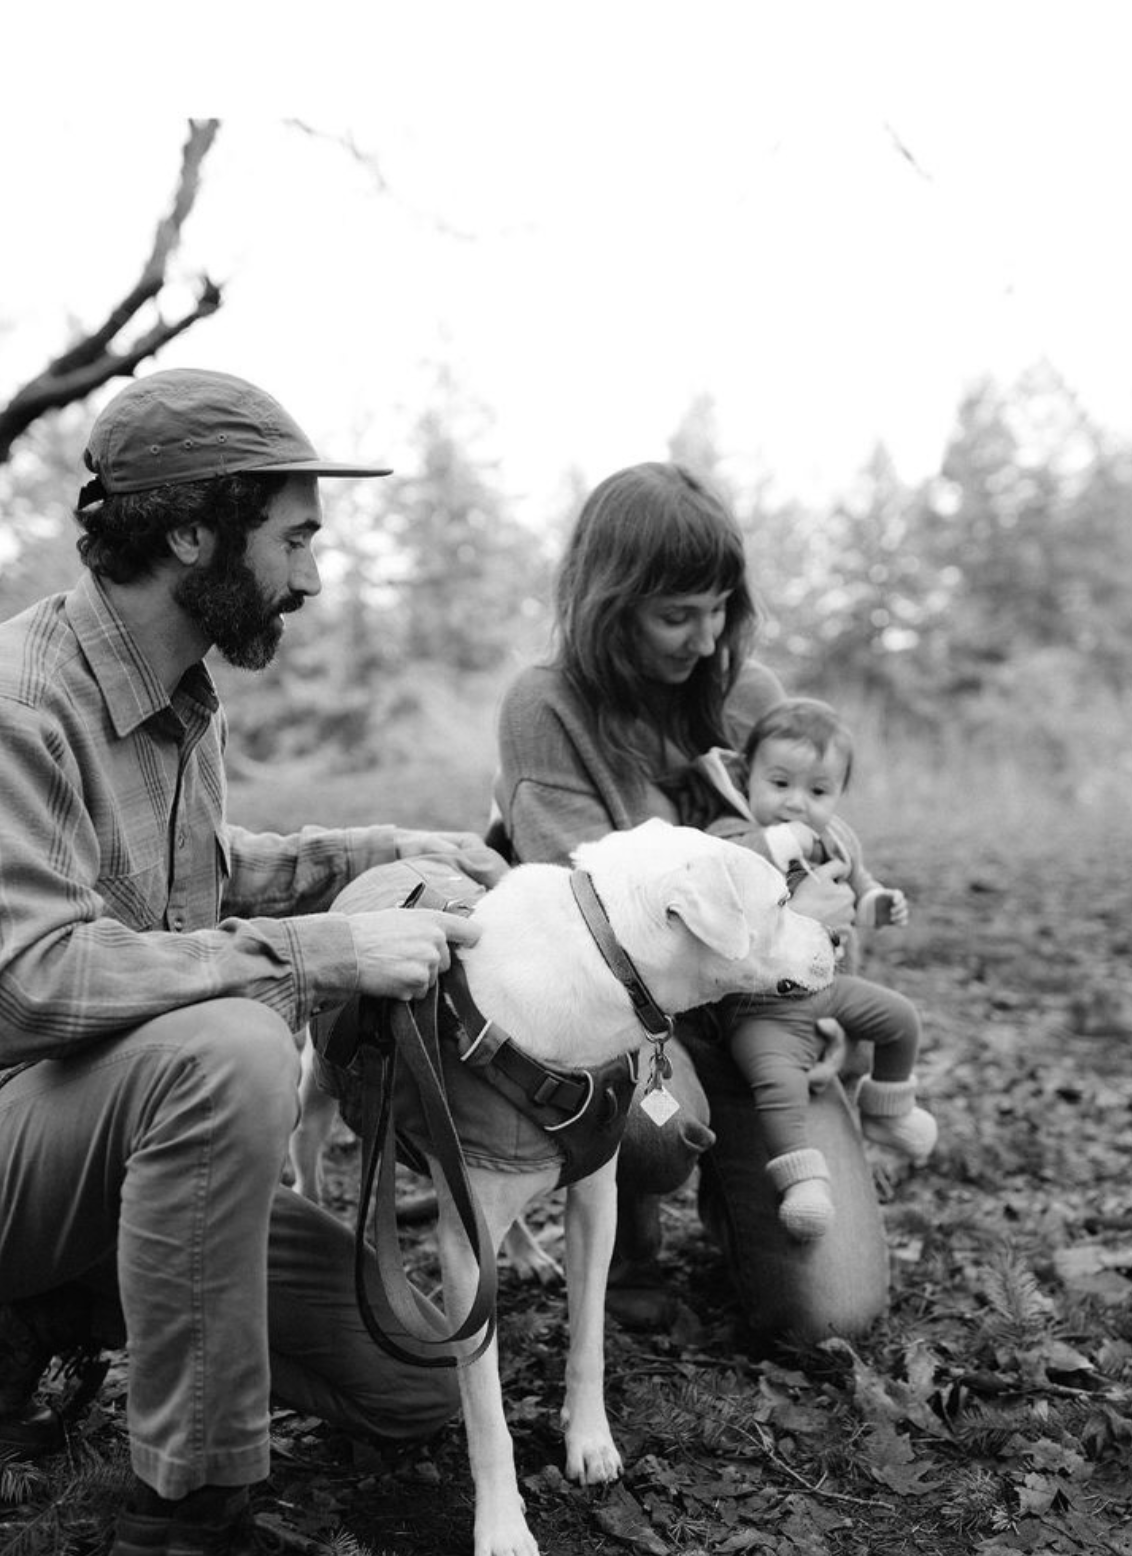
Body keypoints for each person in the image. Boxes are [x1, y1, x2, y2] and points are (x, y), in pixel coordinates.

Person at [0, 369, 505, 1556]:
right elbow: (37, 976)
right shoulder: (21, 705)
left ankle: (68, 1304)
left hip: (118, 1145)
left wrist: (382, 851)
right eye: (294, 537)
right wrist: (322, 953)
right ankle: (188, 1511)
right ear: (189, 529)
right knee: (229, 1043)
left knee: (418, 1377)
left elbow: (197, 874)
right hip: (20, 1137)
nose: (313, 578)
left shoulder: (181, 693)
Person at [490, 460, 891, 1346]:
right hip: (644, 1026)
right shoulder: (545, 707)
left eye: (719, 610)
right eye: (677, 615)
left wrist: (822, 990)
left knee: (833, 1313)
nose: (707, 640)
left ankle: (742, 1186)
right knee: (658, 1133)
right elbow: (588, 932)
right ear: (609, 601)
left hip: (762, 1010)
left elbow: (813, 868)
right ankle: (639, 1238)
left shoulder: (753, 696)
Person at [702, 697, 936, 1241]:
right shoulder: (732, 832)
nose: (796, 805)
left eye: (818, 792)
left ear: (839, 795)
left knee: (900, 1019)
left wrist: (879, 903)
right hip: (759, 1008)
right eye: (779, 784)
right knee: (778, 1086)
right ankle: (803, 1182)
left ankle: (887, 1108)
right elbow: (721, 872)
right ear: (746, 776)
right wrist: (779, 845)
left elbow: (859, 888)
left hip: (826, 989)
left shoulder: (837, 840)